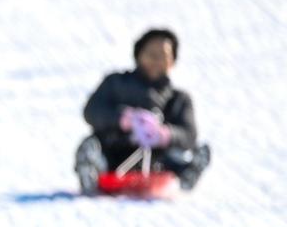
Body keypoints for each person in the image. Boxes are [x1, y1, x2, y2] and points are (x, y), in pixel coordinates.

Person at [75, 29, 211, 193]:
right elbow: (92, 111)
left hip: (157, 161)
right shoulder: (115, 83)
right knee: (94, 146)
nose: (156, 60)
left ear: (172, 61)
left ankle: (186, 173)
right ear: (138, 54)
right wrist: (124, 119)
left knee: (178, 153)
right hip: (114, 151)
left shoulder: (178, 99)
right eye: (151, 53)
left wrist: (164, 134)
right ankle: (92, 169)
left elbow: (189, 134)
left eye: (163, 55)